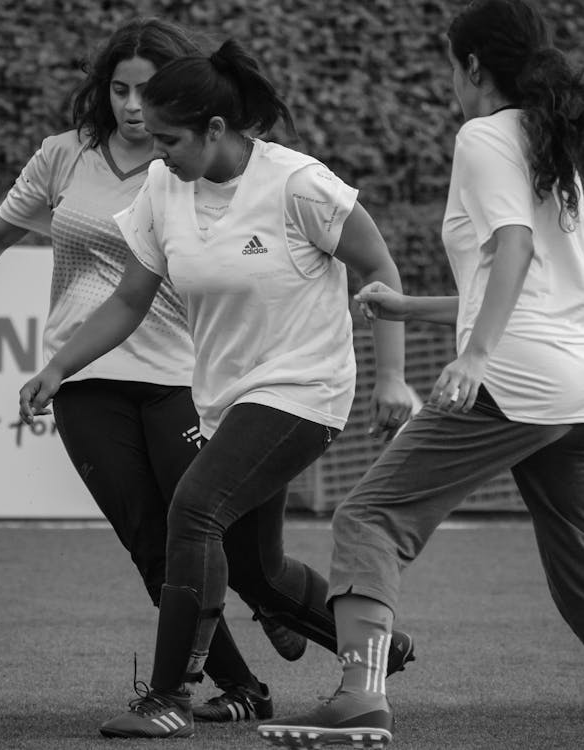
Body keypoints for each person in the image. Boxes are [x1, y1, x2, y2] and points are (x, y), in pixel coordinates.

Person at [18, 38, 417, 740]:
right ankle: (377, 648)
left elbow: (379, 267)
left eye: (170, 136)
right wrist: (60, 366)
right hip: (228, 402)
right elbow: (129, 298)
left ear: (217, 130)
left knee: (193, 510)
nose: (156, 147)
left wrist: (391, 376)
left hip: (306, 392)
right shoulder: (165, 189)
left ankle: (170, 696)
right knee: (258, 574)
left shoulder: (299, 183)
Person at [0, 17, 297, 724]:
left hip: (181, 374)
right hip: (86, 380)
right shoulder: (62, 157)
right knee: (152, 543)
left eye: (146, 93)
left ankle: (273, 601)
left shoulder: (193, 161)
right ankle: (240, 688)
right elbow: (2, 226)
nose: (132, 107)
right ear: (102, 89)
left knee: (206, 528)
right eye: (119, 90)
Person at [258, 0, 584, 747]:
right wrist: (411, 308)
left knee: (370, 515)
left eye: (449, 67)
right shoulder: (556, 140)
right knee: (577, 559)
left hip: (513, 379)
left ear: (471, 67)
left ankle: (360, 696)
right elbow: (542, 281)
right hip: (570, 383)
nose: (449, 85)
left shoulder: (484, 134)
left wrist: (473, 357)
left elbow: (513, 249)